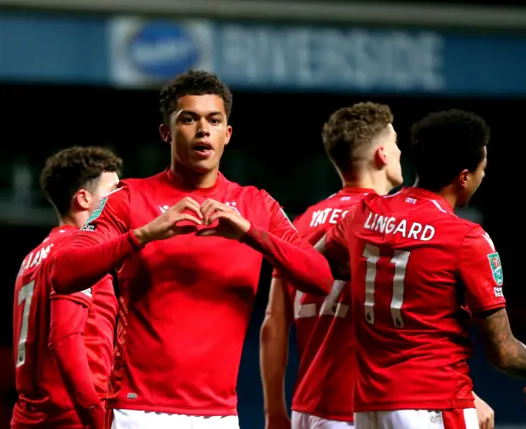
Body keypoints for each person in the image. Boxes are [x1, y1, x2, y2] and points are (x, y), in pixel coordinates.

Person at [48, 70, 334, 429]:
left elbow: (321, 278)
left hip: (220, 416)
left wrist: (249, 234)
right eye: (189, 119)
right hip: (138, 413)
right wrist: (144, 235)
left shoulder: (255, 205)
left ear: (227, 134)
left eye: (214, 120)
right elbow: (63, 272)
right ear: (166, 132)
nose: (203, 130)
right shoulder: (128, 198)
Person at [316, 109, 526, 429]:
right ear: (464, 177)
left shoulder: (366, 213)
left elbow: (313, 265)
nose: (483, 176)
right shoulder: (467, 239)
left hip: (368, 408)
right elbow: (503, 352)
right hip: (436, 406)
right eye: (482, 169)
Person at [261, 104, 496, 429]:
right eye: (397, 144)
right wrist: (467, 395)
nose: (402, 152)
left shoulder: (301, 223)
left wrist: (274, 412)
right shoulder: (382, 221)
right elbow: (407, 320)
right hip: (361, 408)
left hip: (308, 405)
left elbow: (272, 324)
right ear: (383, 154)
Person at [11, 146, 122, 429]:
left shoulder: (31, 258)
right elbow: (65, 340)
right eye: (114, 190)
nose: (122, 199)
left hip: (30, 418)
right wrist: (97, 418)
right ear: (84, 199)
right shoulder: (79, 255)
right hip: (75, 417)